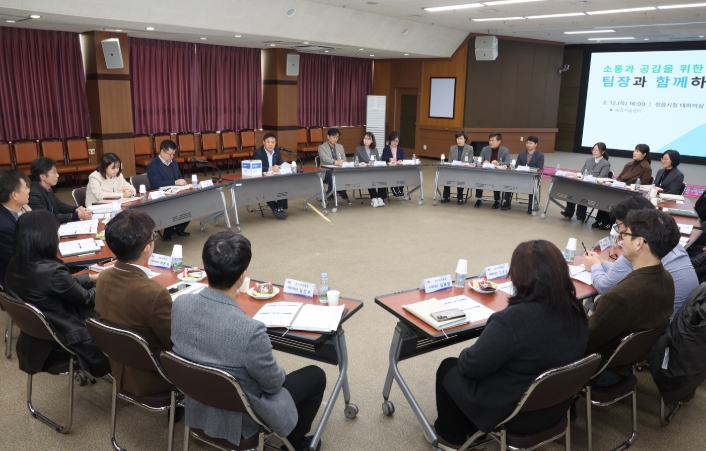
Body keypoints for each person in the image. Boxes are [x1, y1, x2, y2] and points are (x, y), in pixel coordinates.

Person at [171, 232, 326, 451]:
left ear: (205, 267)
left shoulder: (180, 305)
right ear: (242, 276)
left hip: (197, 401)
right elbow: (273, 384)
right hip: (242, 417)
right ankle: (295, 444)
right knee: (315, 375)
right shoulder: (250, 330)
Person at [433, 240, 588, 450]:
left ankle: (451, 438)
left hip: (515, 415)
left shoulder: (512, 320)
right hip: (557, 407)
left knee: (448, 367)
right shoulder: (577, 311)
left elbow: (471, 366)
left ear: (519, 276)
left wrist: (470, 352)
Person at [5, 210, 110, 377]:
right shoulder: (52, 272)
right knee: (122, 309)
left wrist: (89, 278)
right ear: (46, 237)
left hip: (39, 337)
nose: (58, 235)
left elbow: (57, 285)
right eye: (56, 231)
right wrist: (107, 281)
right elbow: (88, 299)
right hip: (66, 336)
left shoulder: (16, 263)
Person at [586, 209, 678, 385]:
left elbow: (586, 341)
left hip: (599, 369)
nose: (621, 240)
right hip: (625, 362)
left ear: (639, 243)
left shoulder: (622, 295)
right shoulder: (666, 279)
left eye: (625, 234)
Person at [95, 210, 175, 398]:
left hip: (120, 365)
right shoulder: (155, 293)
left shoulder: (103, 277)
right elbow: (175, 343)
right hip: (154, 376)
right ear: (147, 249)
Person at [584, 196, 698, 322]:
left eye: (619, 226)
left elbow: (603, 287)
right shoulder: (668, 240)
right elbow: (627, 273)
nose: (620, 232)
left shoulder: (637, 251)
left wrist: (594, 266)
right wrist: (601, 263)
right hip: (680, 322)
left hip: (659, 327)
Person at [592, 144, 653, 230]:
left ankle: (610, 222)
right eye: (635, 150)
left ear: (644, 154)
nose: (634, 153)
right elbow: (620, 177)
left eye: (637, 151)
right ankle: (599, 220)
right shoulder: (629, 164)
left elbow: (643, 185)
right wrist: (615, 183)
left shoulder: (647, 168)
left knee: (617, 200)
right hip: (621, 189)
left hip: (632, 194)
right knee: (607, 196)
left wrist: (628, 186)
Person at [146, 140, 190, 241]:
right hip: (161, 196)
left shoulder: (173, 162)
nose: (172, 157)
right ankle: (168, 233)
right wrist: (175, 183)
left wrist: (182, 183)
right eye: (170, 154)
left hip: (175, 192)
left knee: (190, 204)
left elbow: (179, 177)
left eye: (173, 154)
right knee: (171, 207)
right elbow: (156, 184)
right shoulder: (153, 165)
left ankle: (178, 229)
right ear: (162, 151)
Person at [28, 157, 93, 224]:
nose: (57, 175)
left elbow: (59, 205)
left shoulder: (46, 187)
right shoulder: (33, 194)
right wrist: (76, 216)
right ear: (43, 177)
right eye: (54, 172)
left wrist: (75, 209)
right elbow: (46, 218)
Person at [561, 142, 610, 222]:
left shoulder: (606, 164)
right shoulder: (588, 160)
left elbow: (601, 178)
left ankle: (581, 215)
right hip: (583, 184)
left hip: (595, 187)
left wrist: (589, 178)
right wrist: (579, 176)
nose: (594, 152)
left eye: (596, 150)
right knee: (572, 189)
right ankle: (568, 212)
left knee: (583, 192)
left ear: (603, 152)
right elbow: (581, 172)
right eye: (593, 149)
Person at [0, 170, 30, 290]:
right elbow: (21, 261)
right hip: (20, 282)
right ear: (14, 195)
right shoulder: (5, 227)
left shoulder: (15, 211)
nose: (29, 190)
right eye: (26, 187)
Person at [502, 135, 545, 213]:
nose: (528, 145)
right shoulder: (521, 154)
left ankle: (531, 206)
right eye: (527, 143)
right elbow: (517, 166)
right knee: (509, 182)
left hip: (533, 178)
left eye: (530, 143)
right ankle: (507, 202)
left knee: (533, 185)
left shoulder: (540, 155)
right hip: (520, 176)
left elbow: (540, 168)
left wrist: (529, 169)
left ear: (536, 144)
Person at [253, 133, 289, 219]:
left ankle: (280, 208)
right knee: (265, 188)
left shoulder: (277, 152)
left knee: (283, 183)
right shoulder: (258, 152)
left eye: (273, 142)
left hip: (274, 178)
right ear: (263, 142)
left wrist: (288, 166)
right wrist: (270, 168)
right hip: (261, 179)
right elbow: (256, 167)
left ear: (275, 143)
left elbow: (280, 164)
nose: (270, 144)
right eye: (268, 142)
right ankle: (276, 209)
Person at [474, 132, 509, 209]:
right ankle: (479, 199)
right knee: (479, 178)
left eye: (493, 140)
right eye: (490, 140)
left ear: (499, 141)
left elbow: (507, 162)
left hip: (498, 174)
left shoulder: (505, 150)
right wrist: (483, 162)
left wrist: (498, 163)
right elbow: (479, 161)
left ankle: (497, 200)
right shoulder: (485, 149)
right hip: (485, 172)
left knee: (496, 180)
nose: (491, 142)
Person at [353, 132, 385, 207]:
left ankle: (380, 197)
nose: (366, 141)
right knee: (369, 177)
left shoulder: (375, 150)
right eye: (365, 138)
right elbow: (355, 162)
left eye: (369, 139)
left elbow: (378, 161)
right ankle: (374, 197)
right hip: (363, 171)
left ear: (372, 141)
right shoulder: (358, 149)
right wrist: (360, 163)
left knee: (383, 177)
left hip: (374, 171)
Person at [440, 131, 473, 205]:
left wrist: (464, 164)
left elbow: (470, 161)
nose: (459, 140)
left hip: (463, 170)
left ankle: (460, 197)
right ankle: (446, 197)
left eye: (461, 138)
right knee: (447, 177)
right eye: (458, 138)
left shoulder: (470, 148)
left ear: (465, 139)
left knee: (461, 178)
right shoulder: (452, 148)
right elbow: (450, 161)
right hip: (453, 169)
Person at [317, 128, 349, 202]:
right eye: (333, 137)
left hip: (339, 169)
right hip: (326, 170)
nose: (335, 139)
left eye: (337, 137)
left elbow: (344, 158)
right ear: (328, 136)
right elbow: (324, 158)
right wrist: (335, 162)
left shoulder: (340, 147)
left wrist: (343, 162)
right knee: (331, 173)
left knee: (346, 173)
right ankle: (334, 191)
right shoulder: (321, 147)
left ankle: (337, 191)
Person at [380, 131, 407, 198]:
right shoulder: (386, 149)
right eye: (393, 141)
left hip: (399, 168)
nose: (395, 143)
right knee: (394, 174)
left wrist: (401, 160)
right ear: (390, 140)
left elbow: (404, 157)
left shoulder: (401, 150)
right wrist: (389, 159)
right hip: (389, 169)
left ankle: (400, 188)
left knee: (402, 173)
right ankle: (394, 187)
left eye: (396, 141)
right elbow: (383, 158)